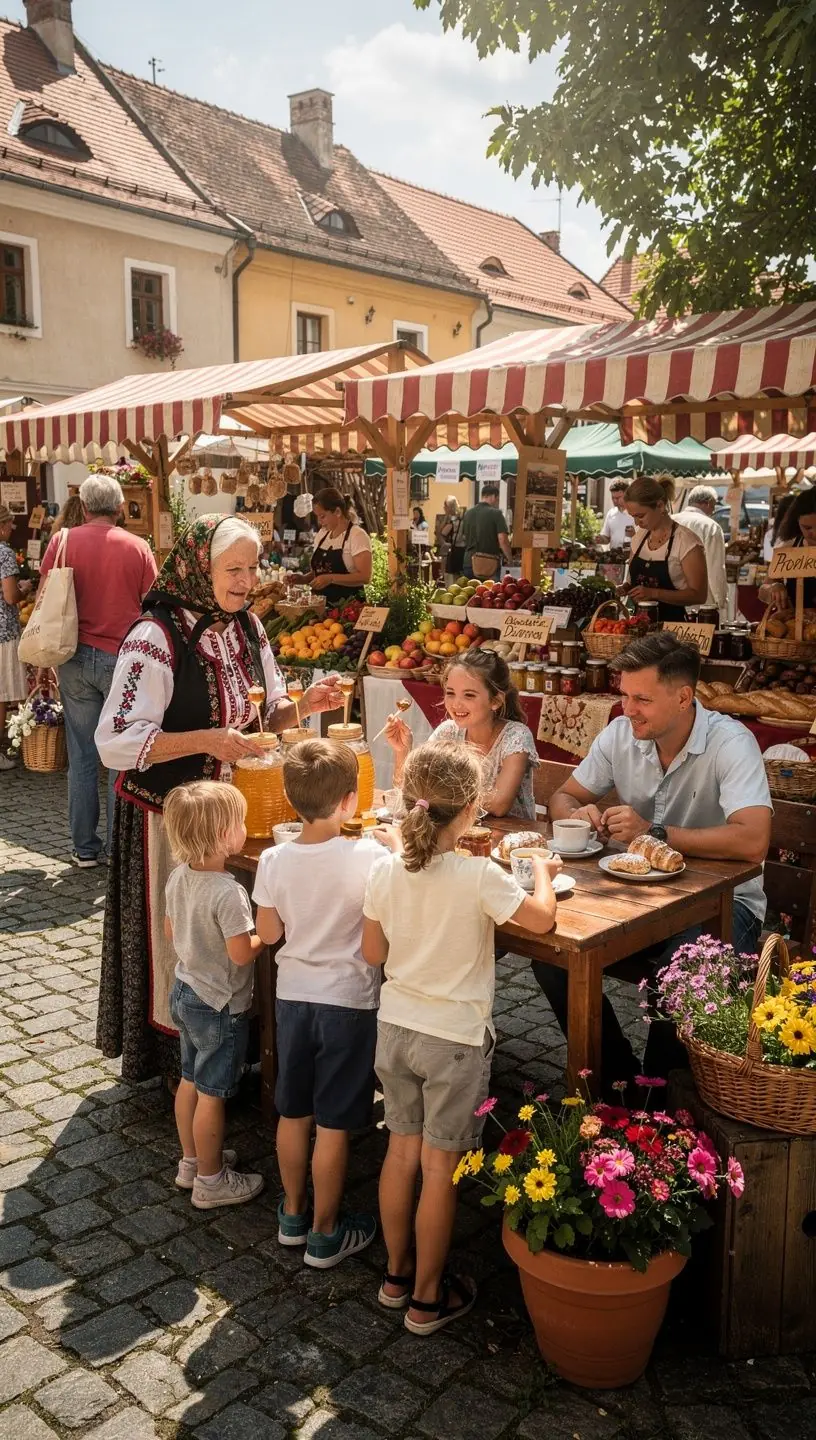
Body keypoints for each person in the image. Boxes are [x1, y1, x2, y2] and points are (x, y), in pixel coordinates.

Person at [94, 513, 344, 1085]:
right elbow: (115, 740)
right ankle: (181, 1069)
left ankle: (232, 1055)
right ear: (196, 567)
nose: (245, 580)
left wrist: (305, 706)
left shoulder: (248, 629)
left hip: (237, 811)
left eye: (252, 567)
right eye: (232, 568)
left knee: (231, 936)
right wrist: (207, 739)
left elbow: (265, 713)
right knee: (183, 945)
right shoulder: (154, 636)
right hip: (170, 822)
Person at [362, 742, 560, 1334]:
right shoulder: (481, 876)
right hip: (453, 1040)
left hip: (395, 1030)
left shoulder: (384, 869)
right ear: (472, 809)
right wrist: (544, 873)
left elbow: (374, 953)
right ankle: (428, 1297)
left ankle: (396, 1277)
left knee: (400, 1154)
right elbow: (543, 920)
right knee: (440, 1168)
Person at [535, 632, 771, 1092]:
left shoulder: (730, 743)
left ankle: (658, 1101)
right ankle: (617, 1081)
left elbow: (753, 841)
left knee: (681, 976)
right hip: (640, 899)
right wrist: (577, 815)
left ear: (684, 697)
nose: (628, 709)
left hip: (726, 904)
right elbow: (562, 797)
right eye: (624, 694)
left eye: (641, 698)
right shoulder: (622, 734)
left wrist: (655, 833)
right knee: (554, 955)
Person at [254, 737, 399, 1267]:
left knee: (293, 1111)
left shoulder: (272, 858)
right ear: (349, 800)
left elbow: (269, 934)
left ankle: (292, 1214)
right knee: (335, 1122)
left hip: (293, 997)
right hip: (349, 1001)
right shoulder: (370, 855)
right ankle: (326, 1231)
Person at [36, 474, 157, 863]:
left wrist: (40, 661)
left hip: (72, 656)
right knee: (118, 756)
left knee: (83, 754)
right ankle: (119, 848)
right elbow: (154, 608)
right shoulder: (138, 547)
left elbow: (44, 601)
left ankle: (85, 849)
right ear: (120, 507)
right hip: (123, 662)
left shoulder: (63, 541)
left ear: (84, 507)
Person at [164, 780, 265, 1210]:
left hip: (186, 991)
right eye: (240, 822)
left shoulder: (178, 877)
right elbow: (241, 954)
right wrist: (265, 935)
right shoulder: (229, 892)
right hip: (219, 1005)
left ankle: (191, 1161)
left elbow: (172, 931)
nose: (244, 828)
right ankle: (211, 1180)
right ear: (225, 836)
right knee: (212, 1093)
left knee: (189, 1080)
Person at [384, 650, 540, 819]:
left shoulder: (516, 736)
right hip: (458, 833)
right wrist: (402, 751)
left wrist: (438, 794)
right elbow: (411, 791)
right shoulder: (448, 732)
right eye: (450, 693)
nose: (456, 704)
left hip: (510, 837)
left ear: (495, 701)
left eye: (469, 695)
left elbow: (499, 804)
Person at [623, 474, 708, 621]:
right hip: (640, 626)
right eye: (633, 516)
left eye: (641, 516)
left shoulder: (687, 542)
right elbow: (631, 582)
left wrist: (654, 593)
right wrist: (624, 588)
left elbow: (699, 595)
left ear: (660, 506)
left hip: (674, 629)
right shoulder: (639, 538)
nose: (636, 523)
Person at [0, 503, 32, 770]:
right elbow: (10, 596)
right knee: (1, 695)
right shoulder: (4, 552)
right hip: (3, 631)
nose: (12, 528)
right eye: (10, 524)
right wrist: (24, 588)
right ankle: (1, 752)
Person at [299, 487, 372, 603]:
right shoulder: (322, 535)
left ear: (337, 512)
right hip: (321, 608)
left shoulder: (357, 535)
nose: (319, 522)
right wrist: (302, 579)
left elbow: (365, 576)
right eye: (317, 517)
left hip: (349, 609)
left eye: (322, 516)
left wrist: (331, 578)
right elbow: (319, 572)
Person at [673, 484, 728, 614]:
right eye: (714, 505)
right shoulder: (710, 526)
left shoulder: (671, 520)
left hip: (672, 596)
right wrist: (720, 600)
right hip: (701, 601)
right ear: (708, 503)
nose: (714, 510)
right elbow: (715, 566)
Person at [759, 487, 816, 610]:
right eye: (807, 528)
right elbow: (763, 591)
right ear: (796, 523)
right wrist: (774, 587)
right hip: (797, 626)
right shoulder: (788, 548)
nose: (814, 533)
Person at [459, 483, 513, 579]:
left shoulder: (468, 514)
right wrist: (510, 559)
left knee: (470, 592)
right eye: (497, 499)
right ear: (492, 496)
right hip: (489, 563)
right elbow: (503, 539)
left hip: (469, 561)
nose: (497, 502)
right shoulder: (496, 514)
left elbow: (463, 537)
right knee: (489, 593)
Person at [599, 480, 634, 549]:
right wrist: (600, 539)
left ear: (627, 495)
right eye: (613, 498)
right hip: (614, 556)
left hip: (632, 556)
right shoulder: (611, 513)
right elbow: (607, 538)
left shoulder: (636, 514)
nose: (615, 500)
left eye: (618, 498)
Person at [436, 495, 464, 580]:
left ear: (450, 507)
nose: (444, 508)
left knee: (453, 578)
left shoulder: (453, 520)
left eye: (445, 506)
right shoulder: (460, 517)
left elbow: (443, 533)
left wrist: (444, 543)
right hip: (458, 550)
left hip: (455, 551)